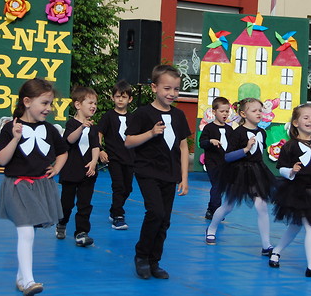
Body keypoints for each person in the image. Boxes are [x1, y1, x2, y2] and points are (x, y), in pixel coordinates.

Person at [0, 78, 68, 296]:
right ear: (27, 102)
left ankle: (21, 277)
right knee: (26, 231)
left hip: (40, 186)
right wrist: (15, 139)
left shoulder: (50, 129)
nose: (49, 108)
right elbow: (2, 160)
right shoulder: (10, 128)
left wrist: (56, 168)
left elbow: (63, 152)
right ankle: (28, 281)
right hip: (17, 186)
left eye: (50, 104)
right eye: (44, 103)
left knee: (29, 232)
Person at [125, 65, 191, 280]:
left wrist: (184, 177)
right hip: (148, 171)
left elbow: (183, 146)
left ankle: (154, 261)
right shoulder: (143, 113)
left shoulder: (179, 115)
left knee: (165, 220)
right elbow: (128, 141)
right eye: (167, 88)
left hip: (170, 173)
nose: (172, 93)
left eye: (176, 89)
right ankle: (142, 256)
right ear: (154, 87)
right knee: (155, 212)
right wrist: (151, 133)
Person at [205, 98, 275, 257]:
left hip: (257, 172)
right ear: (243, 114)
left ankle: (266, 245)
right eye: (254, 110)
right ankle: (212, 228)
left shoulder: (262, 132)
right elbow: (228, 156)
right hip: (239, 172)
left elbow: (259, 153)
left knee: (262, 206)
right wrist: (246, 149)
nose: (258, 113)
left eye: (260, 110)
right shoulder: (237, 133)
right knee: (228, 206)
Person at [269, 104, 311, 278]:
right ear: (296, 122)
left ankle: (276, 251)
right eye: (306, 117)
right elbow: (281, 168)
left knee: (295, 226)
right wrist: (292, 171)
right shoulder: (290, 146)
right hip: (297, 191)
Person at [56, 86, 100, 246]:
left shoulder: (94, 127)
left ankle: (82, 232)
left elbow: (96, 146)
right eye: (90, 103)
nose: (93, 106)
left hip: (87, 172)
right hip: (71, 170)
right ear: (78, 105)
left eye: (95, 103)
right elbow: (70, 139)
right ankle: (62, 222)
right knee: (66, 203)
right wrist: (81, 127)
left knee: (85, 204)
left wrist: (94, 162)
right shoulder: (71, 124)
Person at [97, 80, 136, 230]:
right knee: (118, 186)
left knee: (127, 188)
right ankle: (118, 216)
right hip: (114, 158)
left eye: (124, 97)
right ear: (112, 97)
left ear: (129, 99)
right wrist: (100, 150)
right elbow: (99, 134)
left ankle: (114, 209)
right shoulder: (108, 116)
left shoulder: (133, 118)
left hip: (130, 158)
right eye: (118, 96)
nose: (120, 100)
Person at [199, 96, 233, 220]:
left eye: (227, 111)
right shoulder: (209, 128)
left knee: (220, 187)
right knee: (217, 185)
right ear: (214, 112)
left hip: (226, 163)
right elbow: (202, 143)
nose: (225, 114)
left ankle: (211, 209)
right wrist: (210, 141)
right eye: (222, 111)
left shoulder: (229, 129)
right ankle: (216, 210)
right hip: (213, 162)